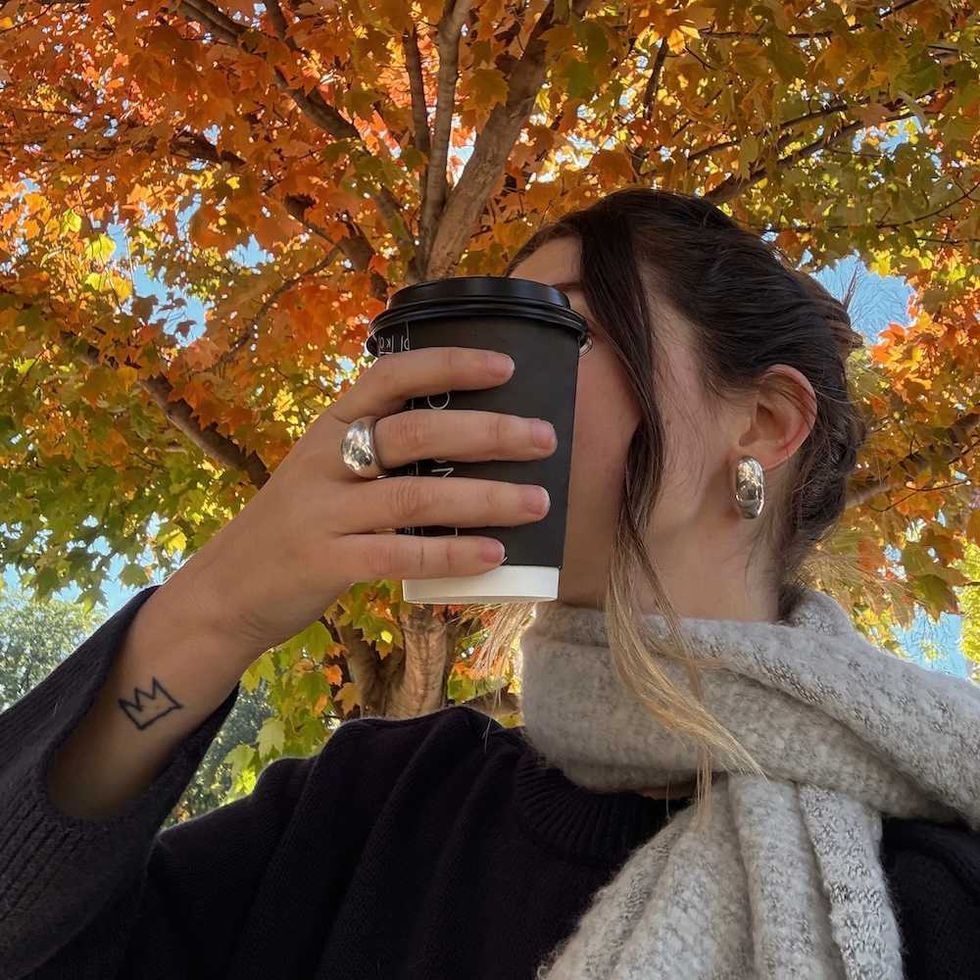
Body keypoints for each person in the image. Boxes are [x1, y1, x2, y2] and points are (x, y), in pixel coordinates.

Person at [0, 188, 977, 980]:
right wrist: (216, 607)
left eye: (559, 329)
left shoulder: (940, 878)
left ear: (762, 422)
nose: (478, 375)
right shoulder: (371, 806)